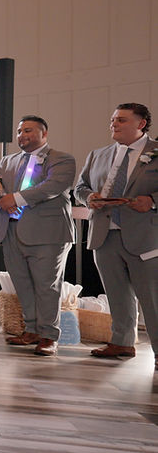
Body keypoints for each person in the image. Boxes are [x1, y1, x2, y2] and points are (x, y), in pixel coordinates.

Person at [75, 103, 157, 369]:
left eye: (121, 120)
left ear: (141, 124)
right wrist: (90, 197)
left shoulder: (155, 152)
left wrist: (152, 200)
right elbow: (80, 187)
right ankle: (122, 341)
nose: (113, 124)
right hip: (104, 233)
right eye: (112, 120)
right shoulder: (98, 154)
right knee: (116, 293)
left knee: (152, 298)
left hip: (145, 235)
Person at [0, 115, 75, 357]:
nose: (22, 135)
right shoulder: (8, 161)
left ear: (44, 134)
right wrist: (0, 198)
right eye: (19, 131)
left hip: (48, 234)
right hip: (12, 231)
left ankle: (49, 335)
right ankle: (31, 329)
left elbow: (52, 187)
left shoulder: (62, 159)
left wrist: (14, 199)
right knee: (22, 284)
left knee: (47, 286)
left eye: (28, 130)